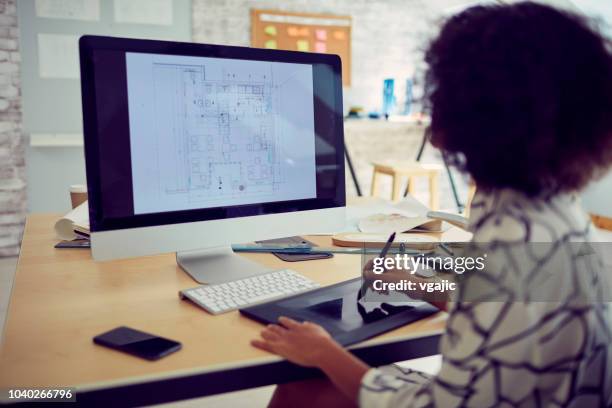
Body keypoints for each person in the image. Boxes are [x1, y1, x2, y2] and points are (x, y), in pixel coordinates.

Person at [251, 2, 612, 407]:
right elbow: (503, 308)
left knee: (303, 384)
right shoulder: (558, 215)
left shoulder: (510, 245)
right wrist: (415, 283)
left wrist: (325, 351)